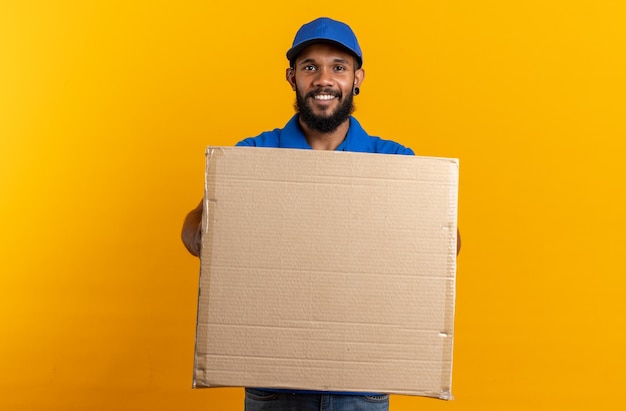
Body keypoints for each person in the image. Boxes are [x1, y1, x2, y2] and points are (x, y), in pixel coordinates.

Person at [182, 17, 460, 411]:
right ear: (291, 77)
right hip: (274, 383)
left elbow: (447, 242)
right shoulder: (257, 154)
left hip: (362, 385)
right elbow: (194, 224)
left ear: (357, 78)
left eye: (338, 67)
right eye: (310, 67)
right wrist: (212, 233)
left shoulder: (394, 162)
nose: (324, 79)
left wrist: (437, 236)